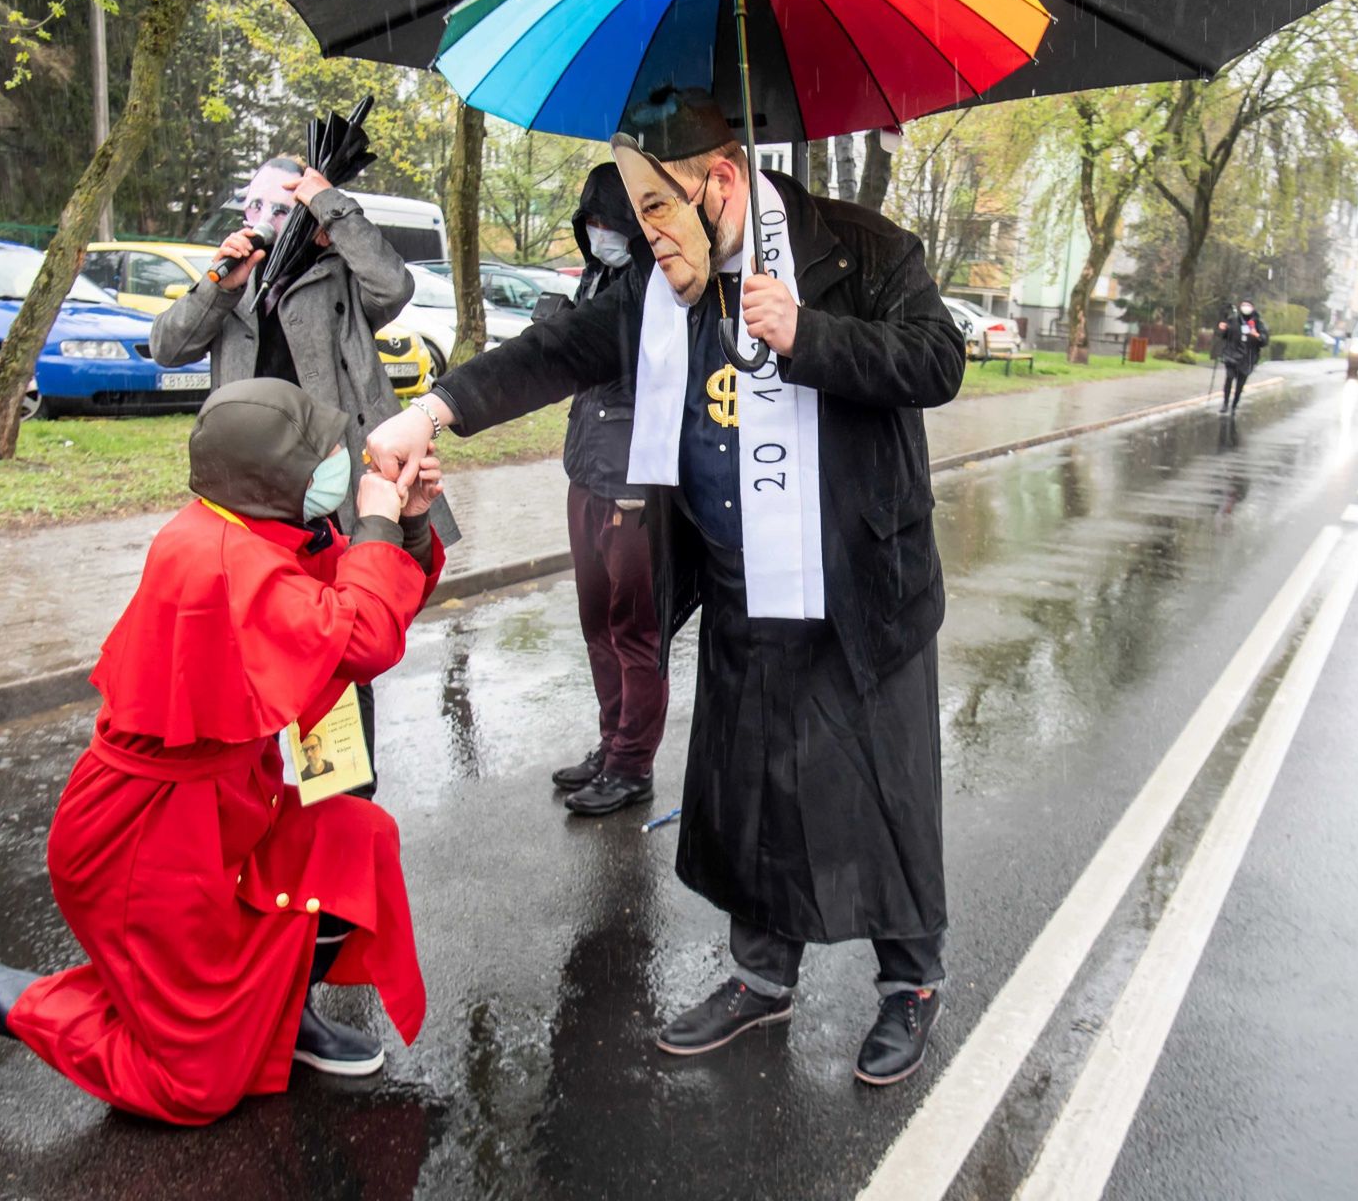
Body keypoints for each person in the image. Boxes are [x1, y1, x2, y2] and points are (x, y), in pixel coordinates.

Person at [368, 87, 966, 1086]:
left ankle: (909, 980)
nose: (645, 235)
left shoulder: (865, 251)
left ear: (720, 182)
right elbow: (556, 348)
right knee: (752, 788)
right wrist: (429, 411)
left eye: (656, 210)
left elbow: (936, 361)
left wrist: (809, 332)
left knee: (883, 791)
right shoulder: (660, 284)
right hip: (740, 587)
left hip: (860, 584)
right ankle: (760, 974)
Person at [0, 380, 445, 1125]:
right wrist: (381, 530)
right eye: (324, 457)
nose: (342, 467)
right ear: (273, 477)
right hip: (142, 841)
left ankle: (275, 1021)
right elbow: (359, 635)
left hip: (222, 811)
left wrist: (406, 530)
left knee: (354, 842)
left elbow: (349, 596)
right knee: (193, 1088)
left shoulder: (256, 528)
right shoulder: (219, 559)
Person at [151, 155, 418, 792]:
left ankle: (337, 795)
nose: (260, 221)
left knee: (332, 650)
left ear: (307, 219)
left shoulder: (338, 278)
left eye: (279, 209)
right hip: (247, 503)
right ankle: (251, 797)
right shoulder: (230, 280)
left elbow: (395, 285)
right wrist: (219, 283)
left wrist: (333, 207)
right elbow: (167, 345)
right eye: (252, 206)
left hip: (323, 496)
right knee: (243, 649)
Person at [549, 164, 670, 814]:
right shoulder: (599, 278)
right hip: (586, 473)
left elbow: (658, 376)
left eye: (611, 223)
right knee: (597, 624)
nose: (600, 235)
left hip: (633, 484)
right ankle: (611, 742)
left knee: (635, 632)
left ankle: (632, 766)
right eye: (590, 223)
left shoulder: (660, 286)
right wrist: (560, 328)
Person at [1216, 298, 1269, 414]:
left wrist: (1257, 336)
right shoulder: (1233, 320)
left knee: (1240, 383)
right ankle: (1225, 404)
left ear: (1253, 308)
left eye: (1248, 305)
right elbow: (1224, 336)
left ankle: (1234, 404)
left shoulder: (1258, 323)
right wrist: (1222, 329)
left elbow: (1265, 341)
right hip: (1232, 354)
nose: (1246, 307)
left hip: (1248, 357)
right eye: (1244, 305)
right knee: (1229, 378)